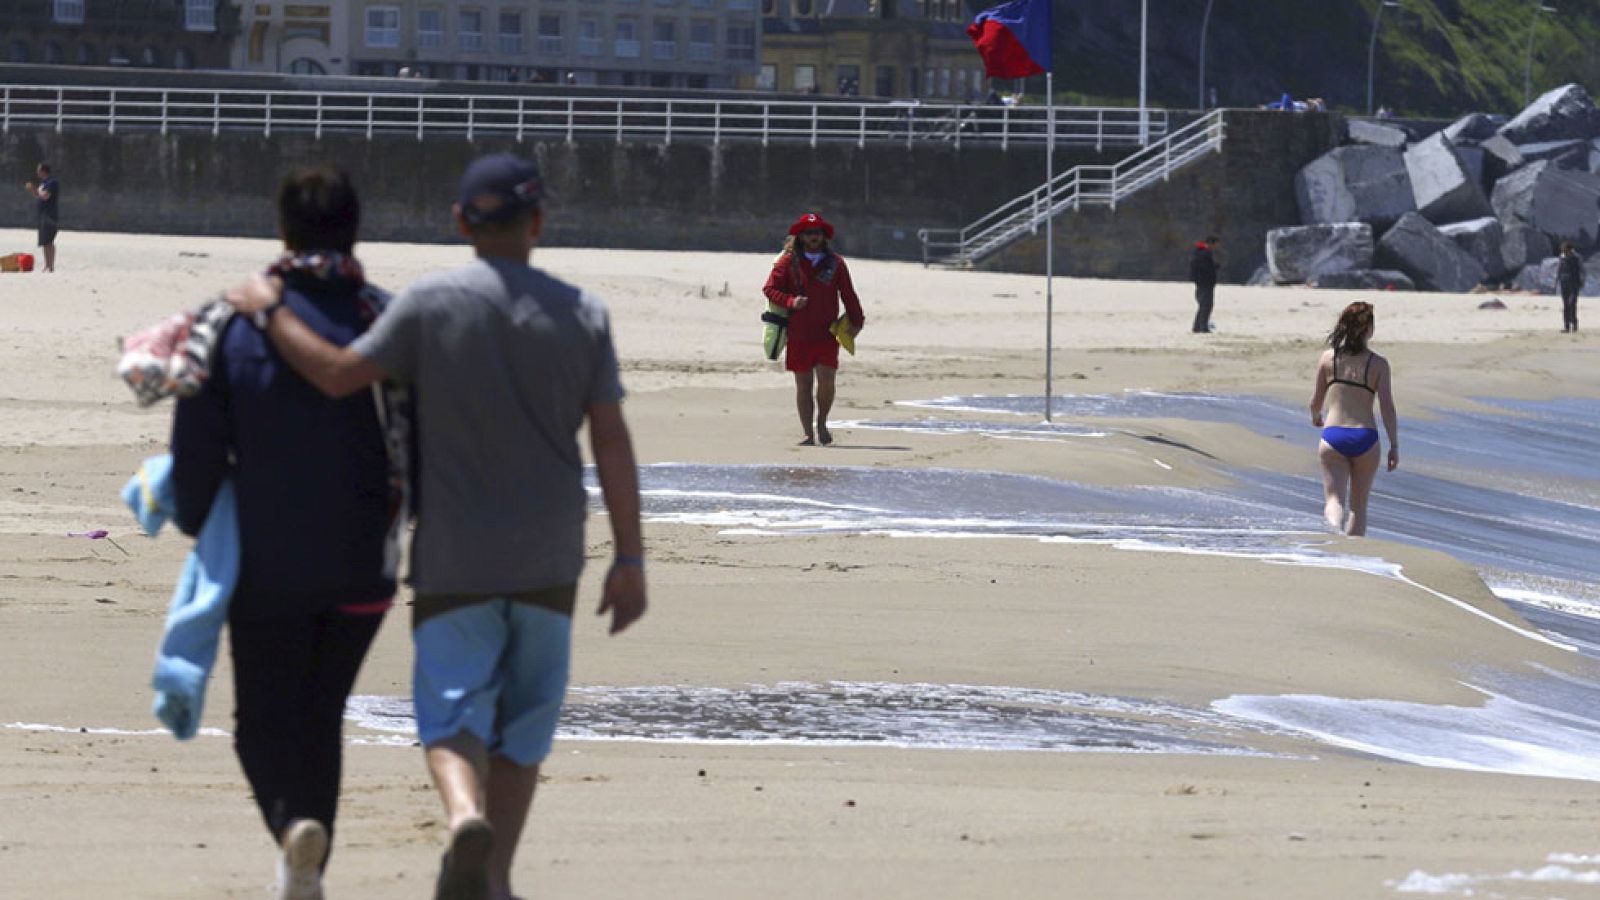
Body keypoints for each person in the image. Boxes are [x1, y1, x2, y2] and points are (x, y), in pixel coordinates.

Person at [226, 153, 647, 900]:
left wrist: (268, 309)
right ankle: (499, 879)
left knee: (452, 714)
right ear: (539, 221)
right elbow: (610, 439)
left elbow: (334, 374)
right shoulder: (582, 313)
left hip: (456, 553)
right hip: (551, 554)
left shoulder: (427, 306)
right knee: (523, 728)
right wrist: (631, 556)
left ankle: (461, 818)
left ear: (460, 222)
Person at [171, 167, 403, 900]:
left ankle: (291, 828)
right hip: (366, 566)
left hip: (266, 564)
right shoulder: (386, 318)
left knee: (260, 728)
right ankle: (305, 873)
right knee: (320, 717)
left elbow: (194, 461)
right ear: (355, 227)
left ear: (282, 232)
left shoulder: (228, 324)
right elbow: (423, 441)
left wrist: (199, 528)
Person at [762, 212, 866, 446]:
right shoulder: (787, 261)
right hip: (798, 334)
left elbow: (848, 294)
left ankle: (822, 422)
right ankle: (808, 433)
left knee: (827, 381)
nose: (813, 237)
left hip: (828, 333)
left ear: (824, 236)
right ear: (800, 236)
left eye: (817, 233)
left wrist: (857, 321)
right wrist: (791, 302)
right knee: (803, 385)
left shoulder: (836, 263)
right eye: (808, 233)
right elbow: (769, 289)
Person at [1308, 301, 1399, 537]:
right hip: (1365, 437)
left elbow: (1315, 401)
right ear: (1369, 329)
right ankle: (1352, 555)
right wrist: (1394, 445)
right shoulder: (1378, 364)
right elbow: (1387, 407)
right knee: (1358, 507)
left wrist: (1316, 417)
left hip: (1333, 435)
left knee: (1334, 500)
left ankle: (1333, 535)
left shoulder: (1329, 359)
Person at [23, 162, 58, 273]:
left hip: (50, 215)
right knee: (44, 241)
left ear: (43, 171)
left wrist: (35, 190)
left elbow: (45, 196)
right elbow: (39, 195)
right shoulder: (43, 183)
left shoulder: (52, 182)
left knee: (49, 241)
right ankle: (47, 265)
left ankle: (51, 266)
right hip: (42, 215)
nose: (37, 172)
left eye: (38, 170)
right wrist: (33, 190)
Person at [1188, 235, 1219, 333]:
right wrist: (1214, 268)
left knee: (1203, 305)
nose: (1216, 247)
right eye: (1215, 245)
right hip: (1205, 283)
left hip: (1201, 282)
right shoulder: (1204, 254)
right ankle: (1203, 327)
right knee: (1206, 305)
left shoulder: (1199, 252)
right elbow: (1205, 269)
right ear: (1211, 243)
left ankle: (1197, 326)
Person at [1558, 241, 1583, 333]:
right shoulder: (1561, 257)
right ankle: (1566, 326)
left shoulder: (1577, 258)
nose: (1563, 251)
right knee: (1565, 305)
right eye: (1562, 249)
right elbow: (1559, 269)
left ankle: (1574, 323)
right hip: (1564, 283)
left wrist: (1582, 281)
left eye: (1564, 249)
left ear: (1569, 249)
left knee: (1572, 303)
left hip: (1574, 284)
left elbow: (1582, 270)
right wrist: (1555, 281)